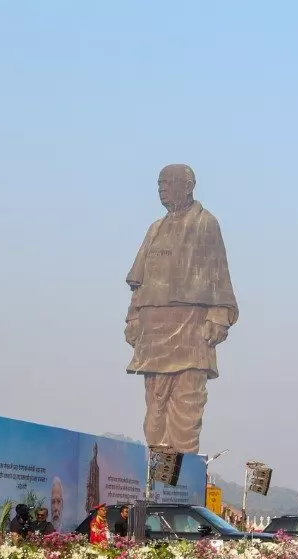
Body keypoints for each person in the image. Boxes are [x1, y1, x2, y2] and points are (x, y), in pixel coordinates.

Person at [125, 164, 238, 454]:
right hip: (155, 330)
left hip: (191, 326)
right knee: (155, 405)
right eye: (158, 183)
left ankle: (180, 479)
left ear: (187, 186)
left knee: (187, 404)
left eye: (167, 182)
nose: (161, 187)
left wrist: (218, 316)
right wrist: (134, 317)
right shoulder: (155, 228)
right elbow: (140, 282)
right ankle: (157, 475)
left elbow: (218, 273)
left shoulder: (205, 223)